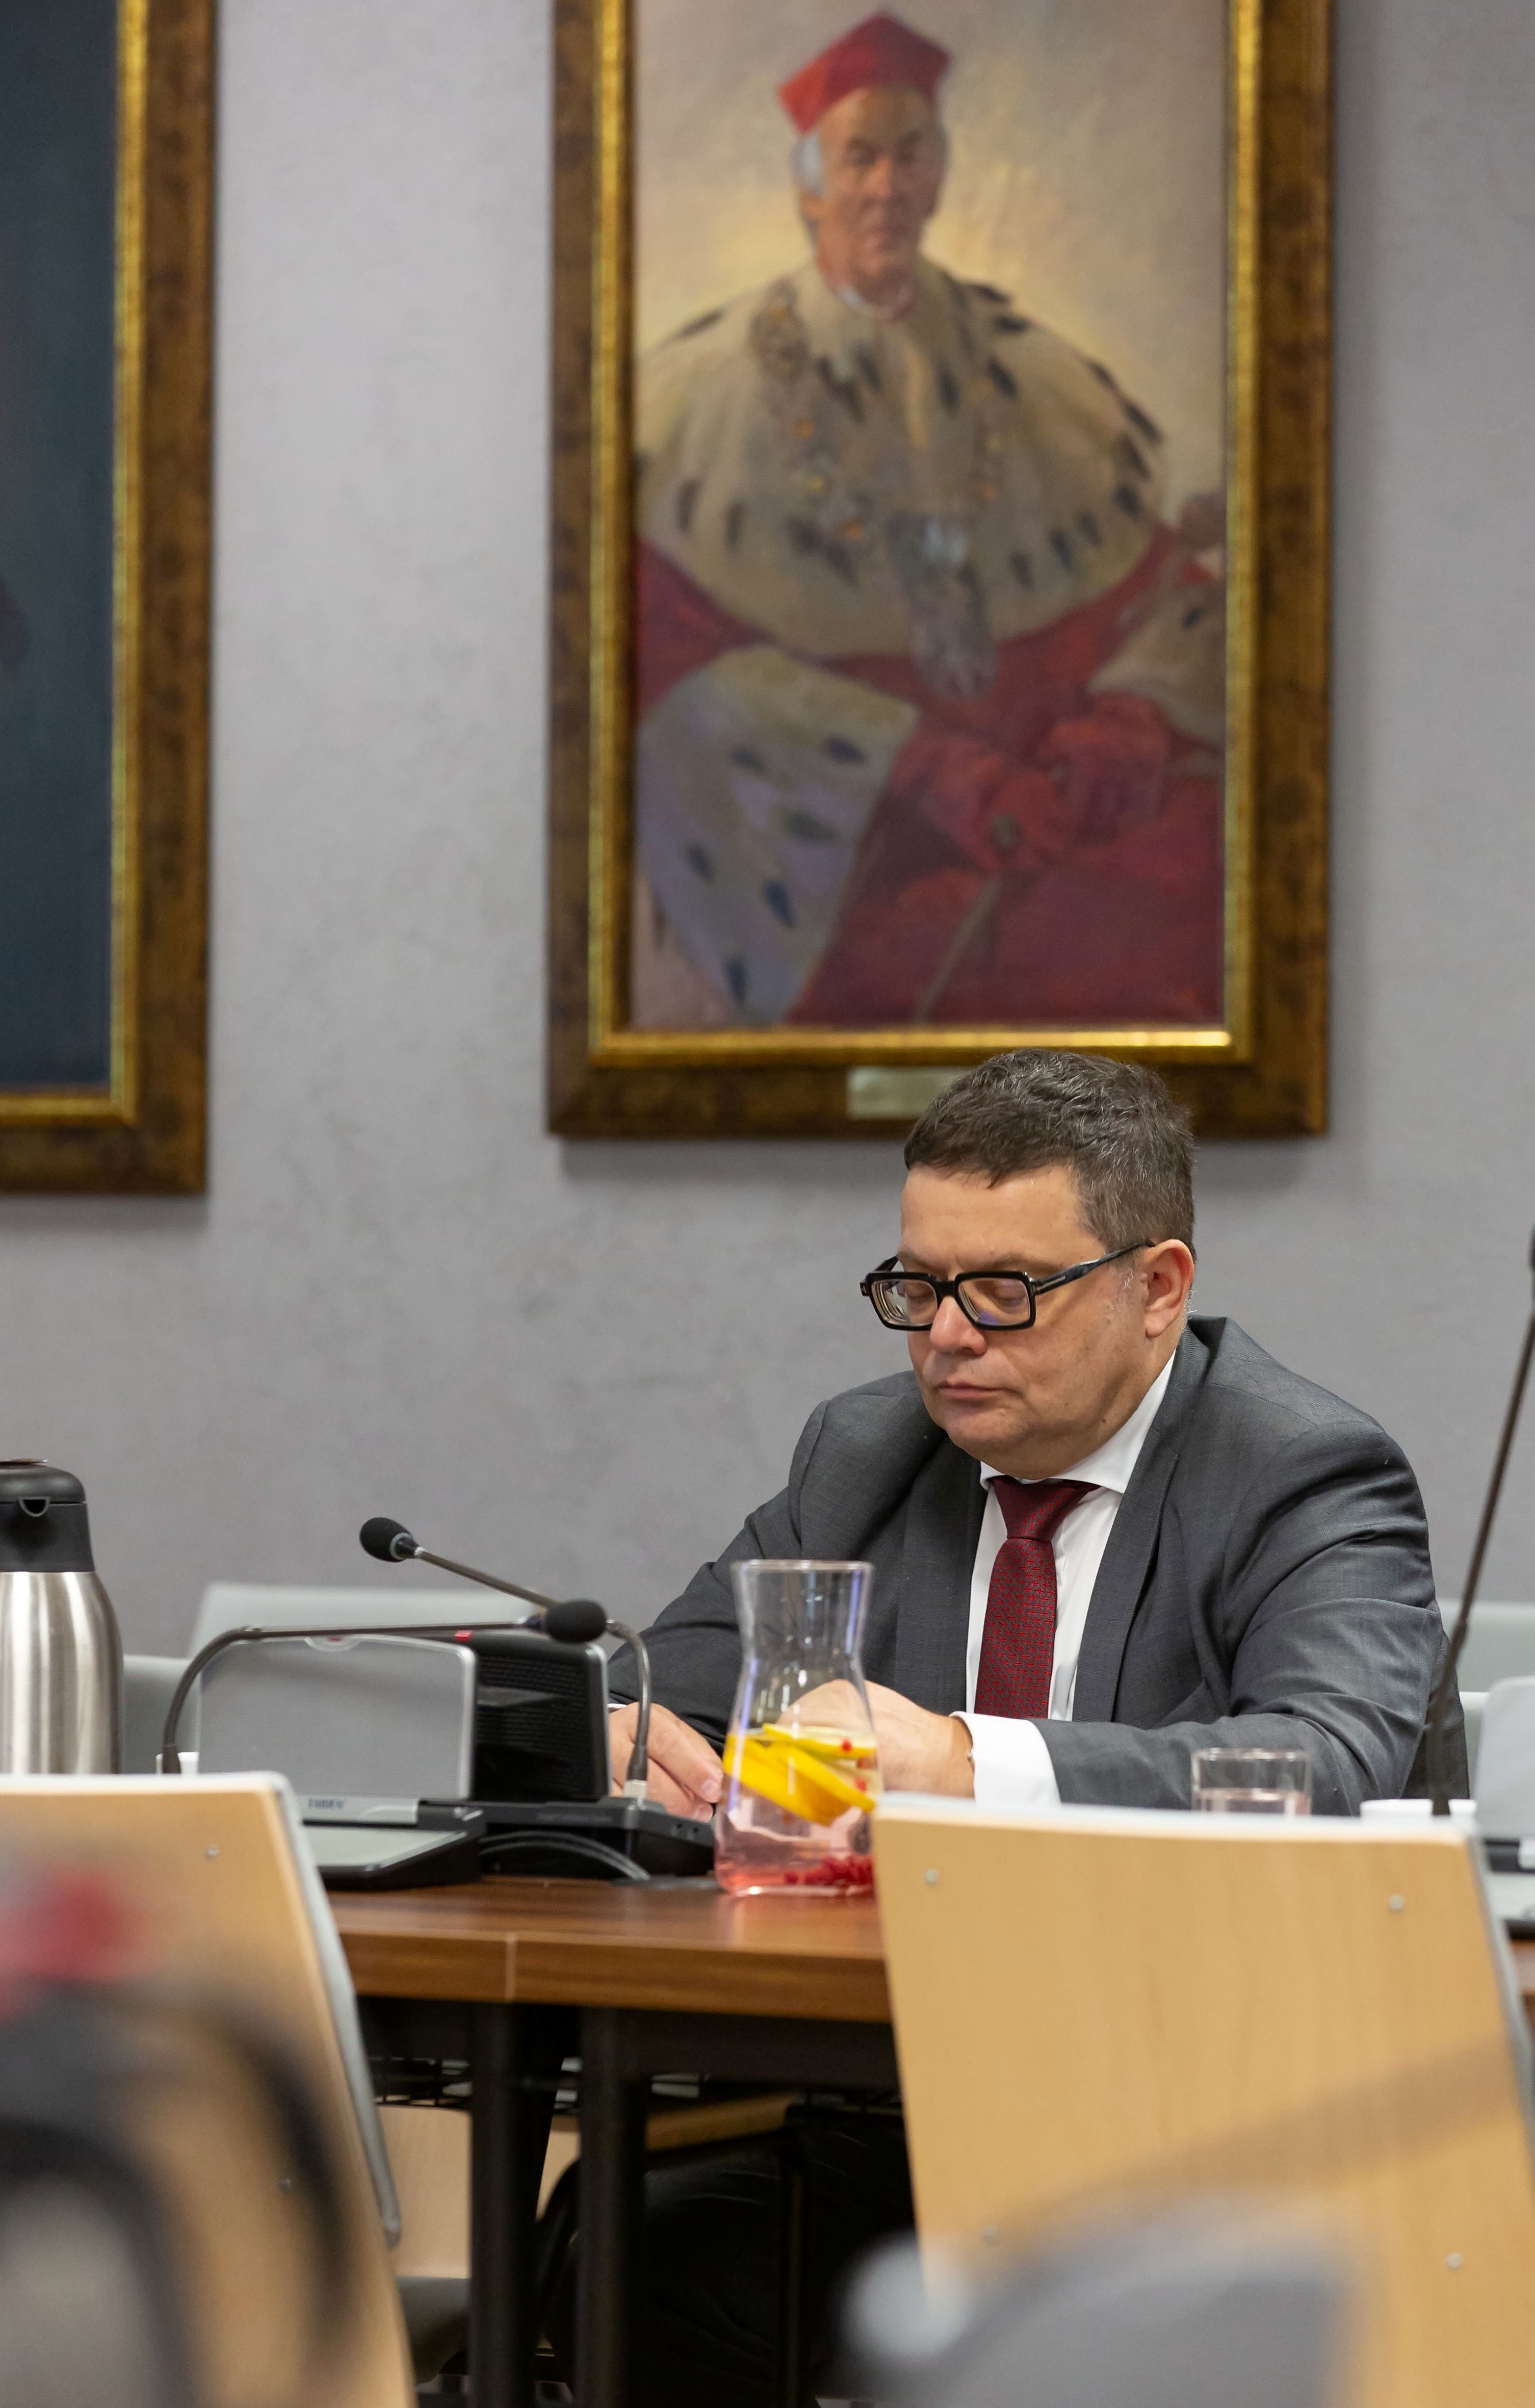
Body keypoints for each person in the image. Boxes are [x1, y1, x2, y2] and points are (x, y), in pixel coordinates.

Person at [606, 1048, 1462, 2406]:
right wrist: (625, 1724)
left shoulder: (1297, 1469)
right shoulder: (869, 1449)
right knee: (625, 2259)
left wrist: (960, 1761)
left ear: (1156, 1288)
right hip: (901, 2088)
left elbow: (1324, 1763)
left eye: (1004, 1290)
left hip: (1224, 2114)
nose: (947, 1336)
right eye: (916, 1286)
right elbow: (671, 1674)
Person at [633, 13, 1225, 1032]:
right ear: (808, 188)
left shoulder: (1031, 370)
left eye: (912, 156)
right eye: (860, 158)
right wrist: (923, 766)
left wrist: (1134, 716)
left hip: (1049, 812)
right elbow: (660, 663)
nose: (888, 187)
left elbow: (1163, 589)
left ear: (942, 175)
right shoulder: (697, 395)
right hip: (838, 833)